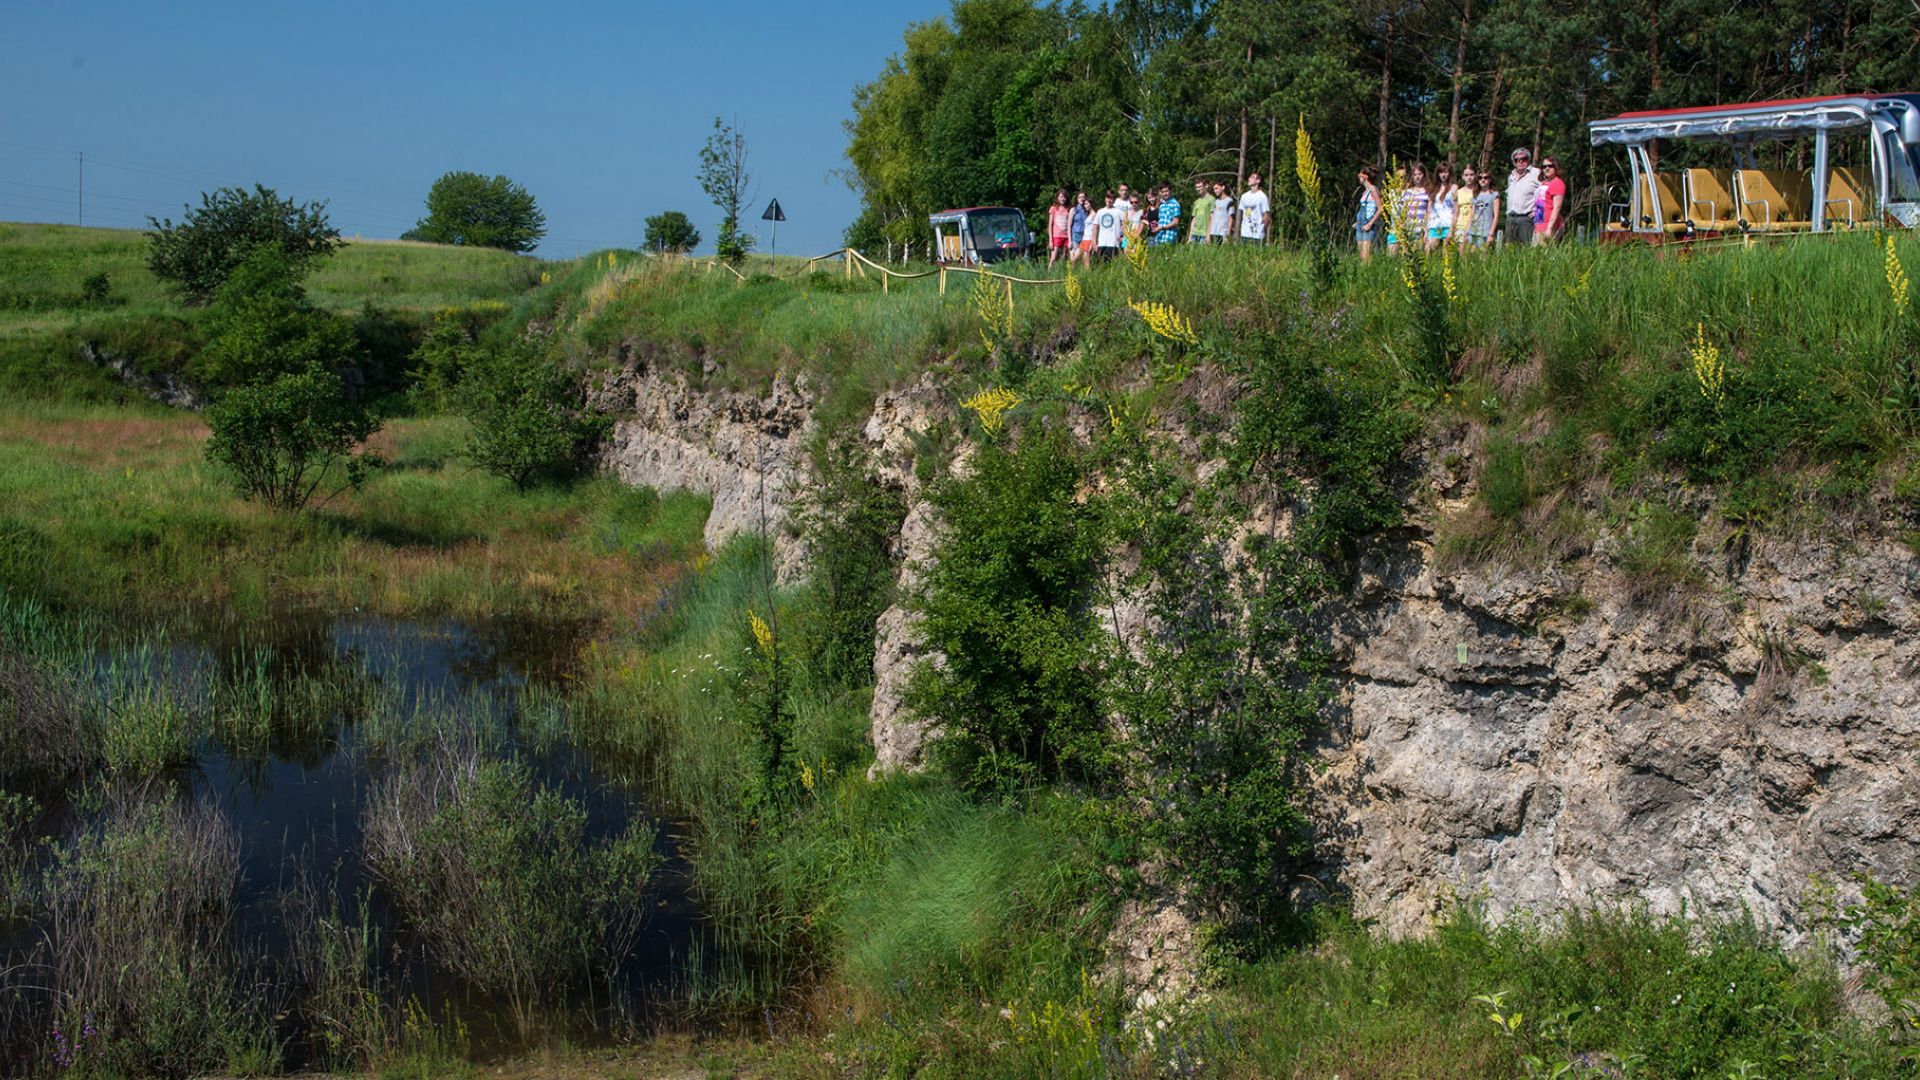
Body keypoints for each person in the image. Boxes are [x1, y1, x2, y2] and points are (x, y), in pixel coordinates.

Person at [1504, 148, 1542, 248]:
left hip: (1526, 219)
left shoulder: (1536, 173)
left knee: (1526, 249)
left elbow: (1544, 191)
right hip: (1511, 218)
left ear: (1528, 159)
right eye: (1517, 160)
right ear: (1514, 162)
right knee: (1509, 250)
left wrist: (1538, 212)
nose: (1520, 161)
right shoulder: (1511, 176)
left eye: (1523, 159)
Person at [1534, 156, 1567, 244]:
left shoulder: (1558, 183)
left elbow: (1557, 207)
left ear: (1556, 167)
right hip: (1539, 224)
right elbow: (1541, 203)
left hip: (1549, 225)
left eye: (1550, 166)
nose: (1547, 168)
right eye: (1544, 167)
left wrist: (1549, 228)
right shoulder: (1544, 183)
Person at [1354, 165, 1383, 260]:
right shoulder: (1365, 192)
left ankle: (1367, 271)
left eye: (1360, 175)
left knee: (1366, 254)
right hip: (1360, 223)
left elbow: (1380, 208)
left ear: (1365, 177)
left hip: (1368, 222)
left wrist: (1370, 223)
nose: (1358, 177)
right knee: (1360, 252)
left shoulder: (1373, 190)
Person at [1426, 162, 1456, 250]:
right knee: (1429, 249)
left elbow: (1456, 210)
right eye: (1441, 172)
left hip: (1447, 223)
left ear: (1450, 173)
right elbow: (1429, 210)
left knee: (1446, 253)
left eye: (1446, 172)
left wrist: (1452, 229)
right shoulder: (1434, 188)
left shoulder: (1453, 188)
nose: (1443, 175)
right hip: (1434, 224)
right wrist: (1426, 228)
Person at [1468, 170, 1500, 248]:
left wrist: (1491, 233)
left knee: (1482, 257)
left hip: (1485, 231)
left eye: (1485, 177)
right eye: (1480, 178)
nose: (1482, 180)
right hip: (1473, 230)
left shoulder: (1494, 195)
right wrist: (1467, 230)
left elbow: (1496, 216)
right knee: (1470, 256)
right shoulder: (1475, 194)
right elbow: (1472, 214)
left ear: (1490, 179)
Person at [1404, 162, 1432, 251]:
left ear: (1424, 175)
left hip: (1421, 228)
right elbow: (1404, 211)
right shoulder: (1407, 192)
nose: (1417, 177)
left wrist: (1426, 231)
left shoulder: (1427, 191)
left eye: (1420, 174)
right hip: (1409, 228)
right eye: (1415, 174)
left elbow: (1429, 212)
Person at [1237, 172, 1271, 243]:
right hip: (1245, 233)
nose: (1249, 179)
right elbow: (1245, 212)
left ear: (1258, 181)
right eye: (1249, 177)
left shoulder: (1262, 196)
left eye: (1252, 177)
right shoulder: (1244, 196)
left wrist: (1261, 228)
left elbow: (1266, 216)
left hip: (1257, 235)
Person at [1451, 165, 1477, 246]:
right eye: (1466, 175)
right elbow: (1456, 213)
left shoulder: (1478, 191)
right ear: (1463, 177)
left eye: (1471, 175)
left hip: (1475, 227)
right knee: (1462, 253)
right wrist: (1452, 229)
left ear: (1475, 175)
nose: (1469, 177)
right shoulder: (1459, 192)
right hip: (1460, 226)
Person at [1093, 191, 1124, 261]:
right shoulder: (1100, 211)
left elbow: (1124, 225)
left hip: (1114, 243)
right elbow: (1095, 227)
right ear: (1105, 199)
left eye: (1111, 198)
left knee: (1113, 266)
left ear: (1114, 200)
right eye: (1107, 198)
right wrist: (1094, 241)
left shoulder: (1118, 211)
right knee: (1101, 266)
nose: (1109, 200)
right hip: (1102, 243)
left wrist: (1123, 237)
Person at [1046, 188, 1072, 268]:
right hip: (1056, 236)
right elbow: (1050, 225)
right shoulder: (1053, 208)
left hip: (1066, 236)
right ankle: (1048, 273)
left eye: (1064, 197)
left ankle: (1059, 272)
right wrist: (1050, 240)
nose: (1063, 199)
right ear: (1057, 197)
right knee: (1053, 258)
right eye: (1061, 197)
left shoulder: (1068, 209)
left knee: (1063, 257)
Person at [1069, 191, 1093, 267]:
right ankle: (1071, 276)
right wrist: (1070, 240)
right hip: (1075, 235)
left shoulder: (1087, 210)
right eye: (1080, 197)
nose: (1082, 199)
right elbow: (1069, 226)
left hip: (1084, 236)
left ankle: (1083, 275)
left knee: (1084, 258)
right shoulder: (1073, 210)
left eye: (1083, 197)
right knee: (1073, 259)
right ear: (1077, 199)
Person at [1189, 179, 1214, 244]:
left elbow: (1212, 218)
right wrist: (1190, 236)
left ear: (1206, 186)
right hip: (1194, 233)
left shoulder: (1211, 199)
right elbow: (1194, 219)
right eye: (1196, 187)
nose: (1198, 189)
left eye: (1200, 186)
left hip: (1204, 234)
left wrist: (1208, 234)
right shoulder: (1196, 202)